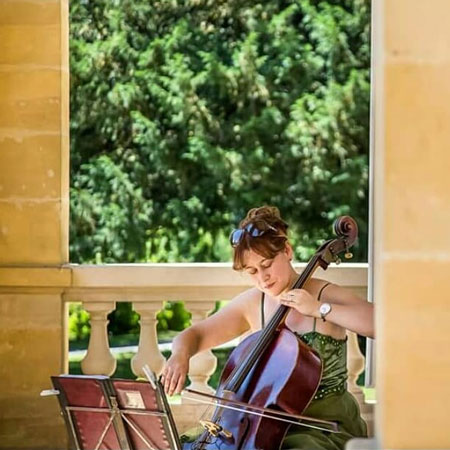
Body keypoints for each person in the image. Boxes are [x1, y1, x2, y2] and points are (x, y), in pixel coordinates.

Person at [162, 206, 374, 449]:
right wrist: (180, 354)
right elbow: (195, 335)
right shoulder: (255, 302)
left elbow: (380, 324)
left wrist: (318, 309)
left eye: (267, 264)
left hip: (323, 428)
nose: (263, 278)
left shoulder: (323, 293)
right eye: (252, 271)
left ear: (287, 250)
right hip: (263, 428)